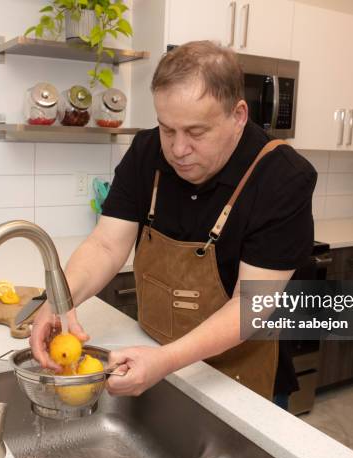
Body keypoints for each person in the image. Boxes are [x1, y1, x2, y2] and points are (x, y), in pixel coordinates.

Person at [30, 40, 317, 402]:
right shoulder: (147, 151)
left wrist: (166, 360)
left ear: (238, 115)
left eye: (196, 133)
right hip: (154, 353)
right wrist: (57, 301)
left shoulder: (283, 177)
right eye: (168, 129)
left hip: (241, 381)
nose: (178, 149)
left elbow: (251, 305)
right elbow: (106, 244)